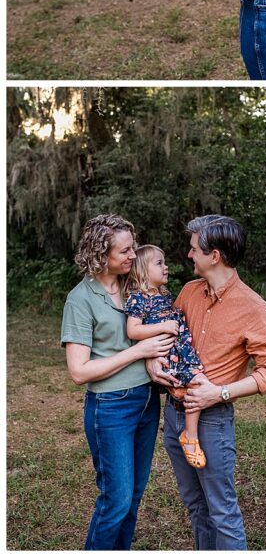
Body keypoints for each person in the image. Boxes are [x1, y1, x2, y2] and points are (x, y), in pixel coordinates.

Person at [147, 215, 266, 550]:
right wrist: (153, 360)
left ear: (215, 255)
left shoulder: (253, 307)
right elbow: (170, 337)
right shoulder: (188, 292)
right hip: (175, 415)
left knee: (222, 512)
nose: (189, 255)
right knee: (196, 507)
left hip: (212, 421)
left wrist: (219, 392)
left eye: (194, 249)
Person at [61, 213, 175, 550]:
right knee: (117, 500)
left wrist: (153, 357)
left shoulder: (135, 287)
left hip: (147, 401)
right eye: (124, 251)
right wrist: (139, 350)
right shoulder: (80, 300)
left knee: (135, 495)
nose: (132, 255)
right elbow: (79, 372)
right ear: (100, 254)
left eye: (133, 248)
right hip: (110, 407)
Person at [124, 244, 207, 469]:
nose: (166, 267)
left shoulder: (165, 295)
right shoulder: (138, 299)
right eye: (159, 263)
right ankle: (190, 437)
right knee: (195, 384)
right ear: (142, 270)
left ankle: (189, 435)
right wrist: (165, 325)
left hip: (181, 350)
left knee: (195, 385)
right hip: (166, 354)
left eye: (164, 262)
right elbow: (133, 330)